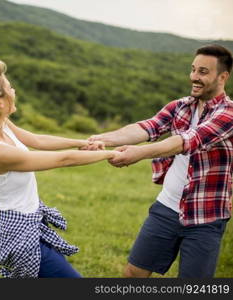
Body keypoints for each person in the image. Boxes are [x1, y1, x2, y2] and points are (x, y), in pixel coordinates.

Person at [0, 59, 119, 278]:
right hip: (20, 234)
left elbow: (38, 139)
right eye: (9, 88)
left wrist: (81, 143)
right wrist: (110, 153)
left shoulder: (3, 126)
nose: (13, 91)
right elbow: (61, 160)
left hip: (33, 224)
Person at [87, 44, 232, 278]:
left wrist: (139, 153)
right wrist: (102, 138)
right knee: (133, 274)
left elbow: (185, 141)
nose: (194, 77)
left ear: (222, 77)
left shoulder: (228, 114)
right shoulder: (181, 106)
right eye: (193, 70)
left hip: (205, 217)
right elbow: (147, 127)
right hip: (166, 208)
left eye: (203, 72)